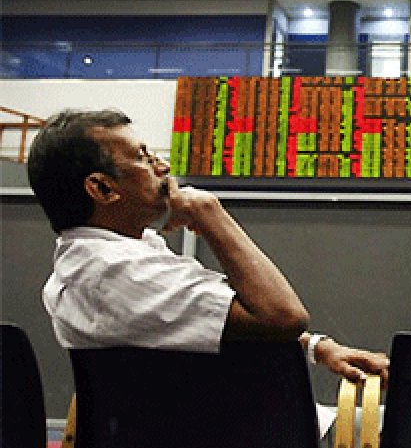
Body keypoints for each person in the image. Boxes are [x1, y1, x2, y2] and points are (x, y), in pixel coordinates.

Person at [27, 109, 388, 383]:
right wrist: (208, 211)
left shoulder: (103, 263)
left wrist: (318, 347)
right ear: (103, 188)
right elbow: (283, 317)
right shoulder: (117, 272)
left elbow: (223, 320)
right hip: (226, 439)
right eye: (143, 157)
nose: (163, 166)